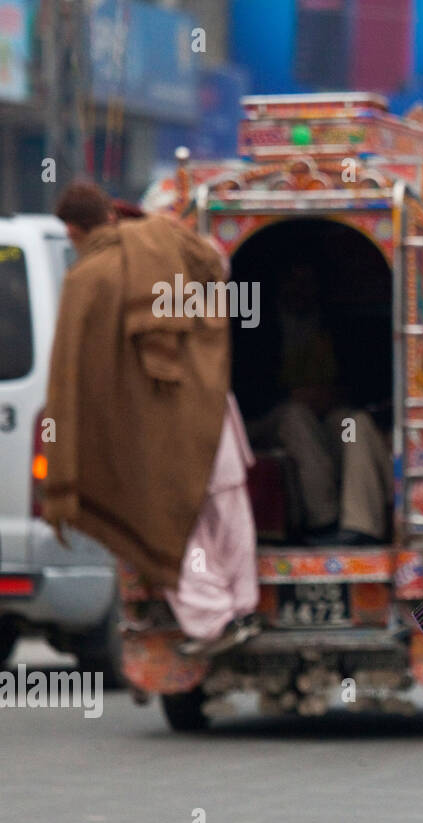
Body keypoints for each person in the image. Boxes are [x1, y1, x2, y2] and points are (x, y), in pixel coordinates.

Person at [44, 181, 259, 654]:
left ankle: (213, 621)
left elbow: (74, 377)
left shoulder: (87, 279)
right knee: (229, 510)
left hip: (151, 433)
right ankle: (243, 607)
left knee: (166, 529)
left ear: (74, 230)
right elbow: (221, 270)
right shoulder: (176, 243)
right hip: (208, 412)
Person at [248, 263, 393, 545]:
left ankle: (358, 529)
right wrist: (291, 397)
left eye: (307, 281)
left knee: (353, 423)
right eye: (293, 281)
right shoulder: (257, 326)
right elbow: (246, 390)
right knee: (295, 417)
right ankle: (323, 522)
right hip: (266, 417)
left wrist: (333, 395)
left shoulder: (336, 326)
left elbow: (367, 386)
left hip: (325, 417)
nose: (300, 289)